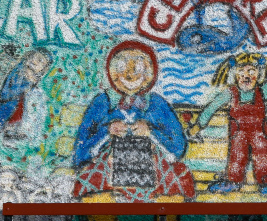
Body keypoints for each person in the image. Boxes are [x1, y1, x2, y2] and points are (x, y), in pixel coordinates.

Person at [73, 40, 195, 202]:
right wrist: (106, 132)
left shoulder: (157, 104)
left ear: (149, 74)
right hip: (109, 172)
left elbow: (179, 148)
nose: (130, 74)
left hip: (153, 172)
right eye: (121, 67)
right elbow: (80, 152)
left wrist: (151, 133)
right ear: (111, 72)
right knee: (97, 192)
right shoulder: (102, 102)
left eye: (138, 68)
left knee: (172, 187)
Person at [188, 51, 267, 195]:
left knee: (263, 156)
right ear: (235, 75)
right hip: (238, 134)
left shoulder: (262, 91)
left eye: (251, 72)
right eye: (241, 72)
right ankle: (233, 181)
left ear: (258, 75)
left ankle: (266, 183)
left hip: (260, 134)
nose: (246, 76)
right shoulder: (231, 93)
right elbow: (212, 107)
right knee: (237, 156)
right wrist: (198, 126)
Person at [0, 48, 53, 148]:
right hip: (9, 106)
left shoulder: (34, 78)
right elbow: (9, 91)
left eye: (40, 61)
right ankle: (9, 133)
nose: (35, 61)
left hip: (21, 110)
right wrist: (27, 85)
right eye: (34, 57)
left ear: (44, 68)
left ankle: (24, 133)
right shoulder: (19, 71)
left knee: (38, 96)